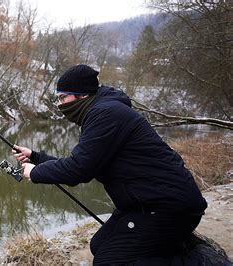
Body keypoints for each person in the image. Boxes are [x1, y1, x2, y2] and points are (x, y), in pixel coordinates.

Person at [12, 64, 207, 265]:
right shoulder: (101, 111)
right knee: (99, 244)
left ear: (81, 96)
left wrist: (35, 173)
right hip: (143, 203)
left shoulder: (105, 114)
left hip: (168, 206)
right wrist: (35, 157)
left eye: (63, 98)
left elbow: (78, 170)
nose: (59, 105)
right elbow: (85, 163)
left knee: (109, 261)